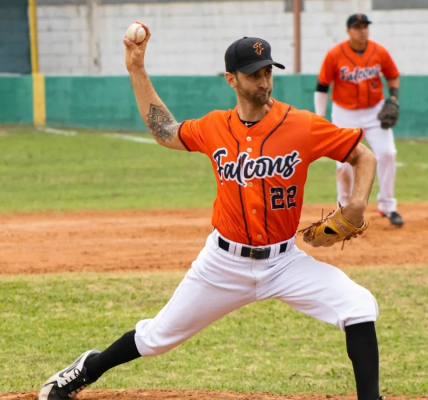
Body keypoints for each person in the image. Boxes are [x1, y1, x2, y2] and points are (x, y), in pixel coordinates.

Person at [39, 26, 383, 400]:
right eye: (253, 74)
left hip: (284, 263)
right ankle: (85, 369)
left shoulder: (302, 125)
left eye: (268, 71)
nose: (264, 81)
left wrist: (357, 203)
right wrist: (136, 68)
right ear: (231, 79)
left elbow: (362, 155)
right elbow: (164, 130)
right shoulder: (215, 126)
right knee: (156, 337)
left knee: (358, 306)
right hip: (223, 264)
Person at [314, 13, 404, 227]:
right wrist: (320, 117)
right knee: (344, 164)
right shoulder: (335, 54)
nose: (362, 30)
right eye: (357, 27)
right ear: (348, 31)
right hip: (344, 113)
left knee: (388, 153)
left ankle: (387, 206)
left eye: (365, 26)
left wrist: (393, 98)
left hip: (375, 111)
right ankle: (344, 209)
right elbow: (322, 86)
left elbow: (392, 75)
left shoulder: (379, 51)